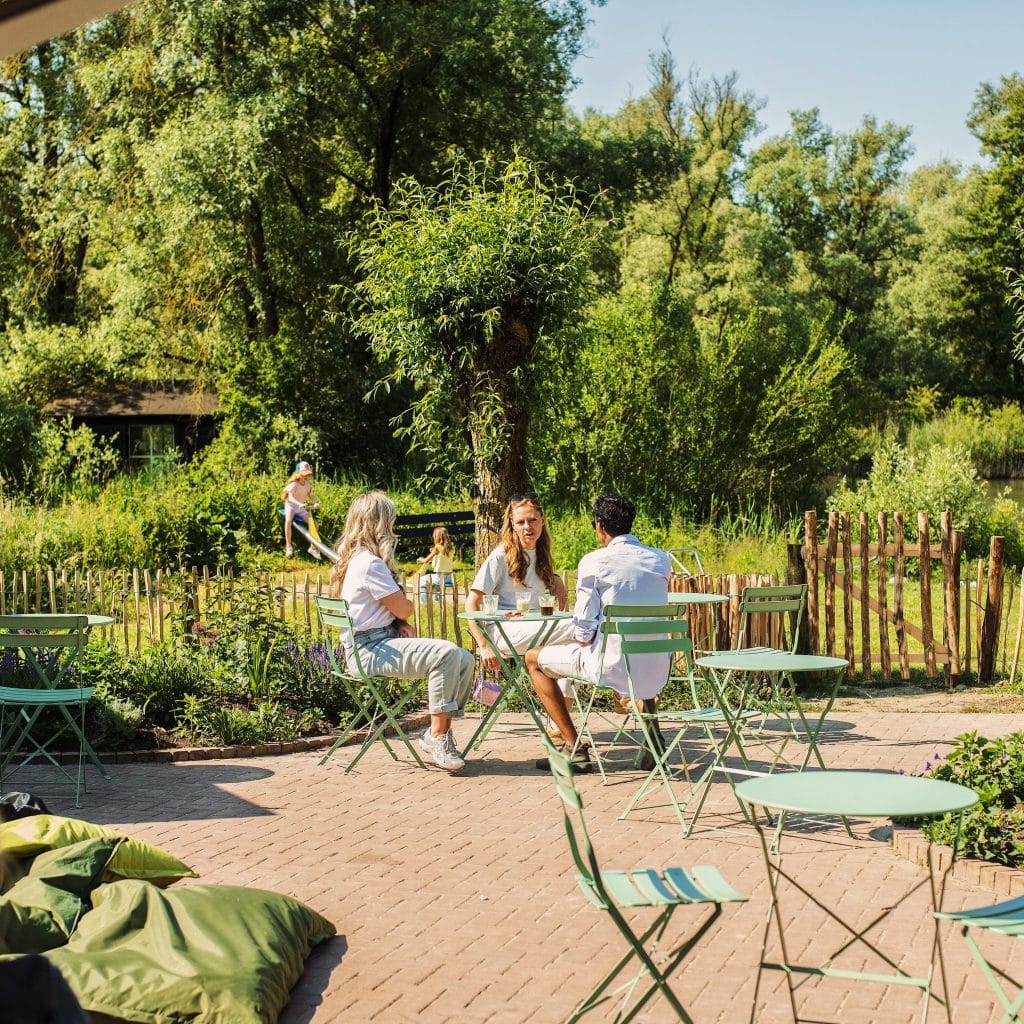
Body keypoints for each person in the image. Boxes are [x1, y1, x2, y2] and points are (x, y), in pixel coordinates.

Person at [329, 490, 475, 772]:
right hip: (369, 650)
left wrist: (398, 622)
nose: (394, 528)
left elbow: (386, 611)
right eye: (391, 521)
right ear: (379, 524)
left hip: (376, 641)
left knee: (464, 657)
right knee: (445, 654)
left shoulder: (357, 560)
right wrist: (401, 614)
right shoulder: (369, 564)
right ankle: (438, 736)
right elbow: (405, 608)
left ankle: (437, 732)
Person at [525, 493, 671, 773]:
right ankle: (654, 742)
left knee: (534, 659)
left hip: (610, 666)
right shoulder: (660, 560)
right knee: (638, 646)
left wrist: (586, 639)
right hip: (657, 667)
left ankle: (574, 749)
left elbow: (581, 625)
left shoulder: (595, 562)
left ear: (599, 527)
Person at [282, 461, 322, 559]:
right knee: (288, 521)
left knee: (315, 524)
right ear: (298, 474)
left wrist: (316, 503)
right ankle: (288, 546)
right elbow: (289, 497)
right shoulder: (294, 484)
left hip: (301, 508)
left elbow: (311, 496)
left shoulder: (307, 484)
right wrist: (299, 504)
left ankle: (312, 547)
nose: (306, 476)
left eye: (307, 474)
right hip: (291, 506)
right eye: (304, 474)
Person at [416, 526, 456, 602]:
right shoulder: (451, 548)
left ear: (437, 537)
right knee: (437, 585)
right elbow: (443, 558)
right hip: (449, 577)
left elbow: (426, 560)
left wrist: (420, 559)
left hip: (440, 577)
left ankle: (424, 603)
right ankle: (438, 601)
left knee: (420, 581)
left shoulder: (437, 547)